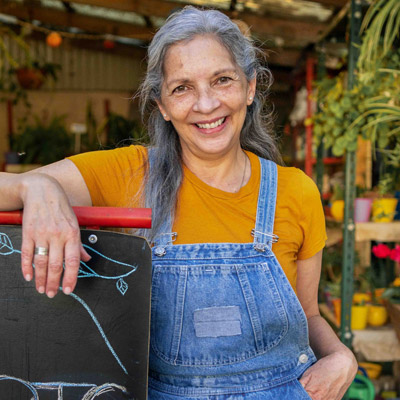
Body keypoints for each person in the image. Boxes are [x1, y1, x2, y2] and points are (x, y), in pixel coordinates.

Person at [0, 6, 357, 400]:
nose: (206, 105)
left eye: (222, 80)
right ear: (163, 106)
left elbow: (308, 315)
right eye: (182, 87)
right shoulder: (129, 173)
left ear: (250, 86)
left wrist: (342, 356)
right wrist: (34, 188)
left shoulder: (296, 192)